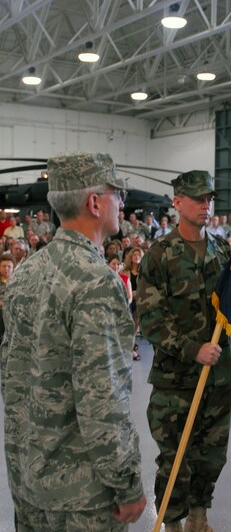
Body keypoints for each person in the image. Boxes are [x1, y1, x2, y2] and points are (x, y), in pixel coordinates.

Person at [1, 152, 146, 531]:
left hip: (28, 480)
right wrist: (126, 484)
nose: (122, 204)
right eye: (117, 194)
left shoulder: (25, 272)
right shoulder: (97, 283)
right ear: (94, 203)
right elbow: (103, 401)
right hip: (83, 498)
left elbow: (12, 378)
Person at [137, 170, 231, 532]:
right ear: (177, 203)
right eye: (198, 198)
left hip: (219, 377)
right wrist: (193, 349)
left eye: (209, 199)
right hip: (177, 381)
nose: (206, 205)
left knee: (211, 456)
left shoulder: (224, 250)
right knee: (176, 459)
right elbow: (151, 320)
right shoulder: (159, 256)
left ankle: (198, 518)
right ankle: (171, 523)